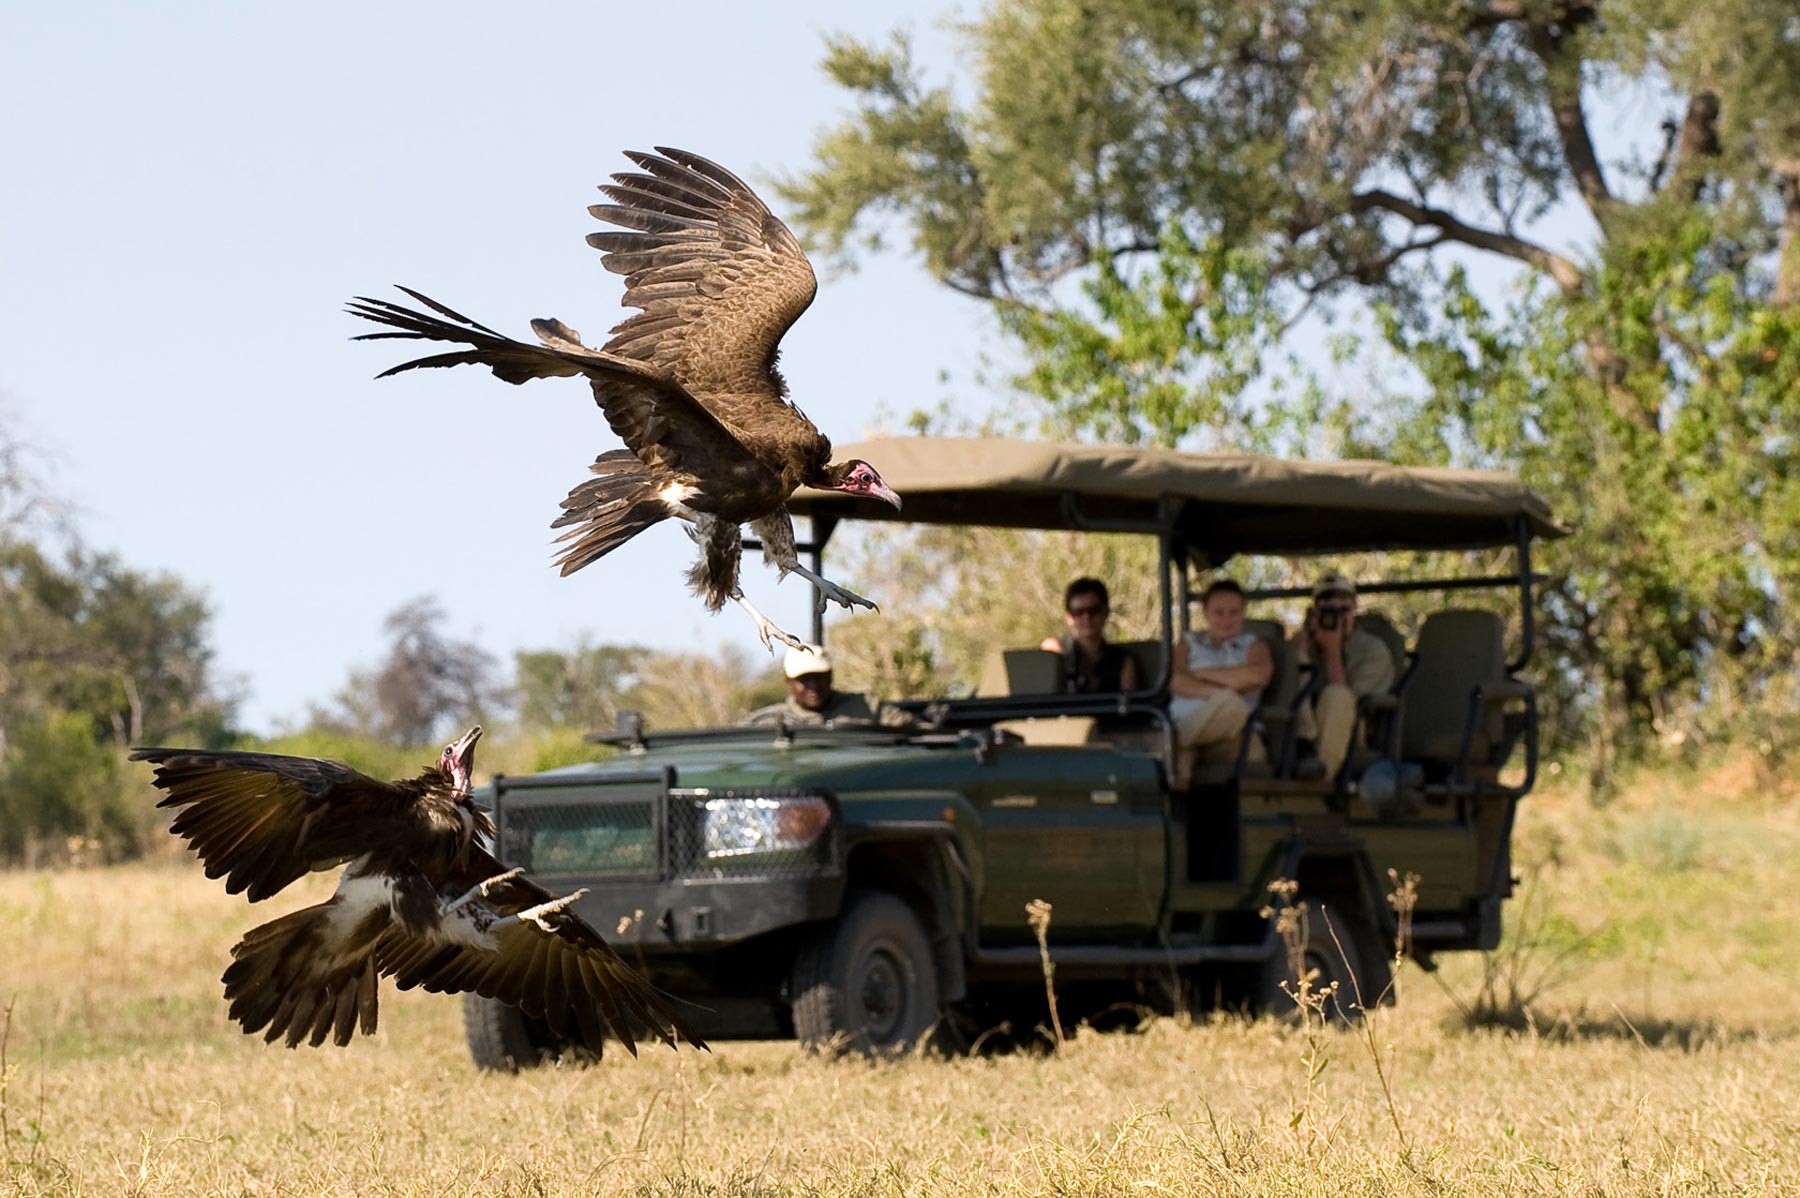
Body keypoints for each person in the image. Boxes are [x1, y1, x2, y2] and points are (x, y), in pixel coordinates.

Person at [1290, 570, 1396, 777]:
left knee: (1337, 695)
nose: (1337, 618)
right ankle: (1306, 743)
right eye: (1329, 611)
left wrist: (1332, 651)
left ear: (1355, 608)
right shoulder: (1304, 643)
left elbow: (1352, 704)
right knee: (1295, 663)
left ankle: (1321, 781)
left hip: (1351, 726)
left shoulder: (1373, 650)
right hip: (1301, 725)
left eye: (1343, 610)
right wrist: (1302, 649)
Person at [1169, 580, 1274, 765]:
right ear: (1205, 613)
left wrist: (1200, 674)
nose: (1226, 620)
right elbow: (1175, 680)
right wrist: (1220, 693)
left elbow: (1257, 676)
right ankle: (1178, 746)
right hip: (1188, 717)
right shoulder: (1189, 642)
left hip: (1231, 730)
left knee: (1235, 707)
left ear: (1243, 613)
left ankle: (1170, 742)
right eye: (1219, 612)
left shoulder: (1254, 645)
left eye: (1234, 612)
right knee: (1181, 760)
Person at [745, 644, 903, 727]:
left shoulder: (866, 708)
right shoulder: (766, 722)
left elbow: (915, 732)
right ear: (789, 682)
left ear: (830, 676)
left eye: (820, 677)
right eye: (804, 679)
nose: (813, 686)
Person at [1038, 577, 1143, 693]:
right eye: (1079, 612)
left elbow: (1129, 705)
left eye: (1094, 610)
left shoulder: (1123, 661)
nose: (1087, 618)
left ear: (1106, 612)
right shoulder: (1056, 652)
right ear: (1069, 617)